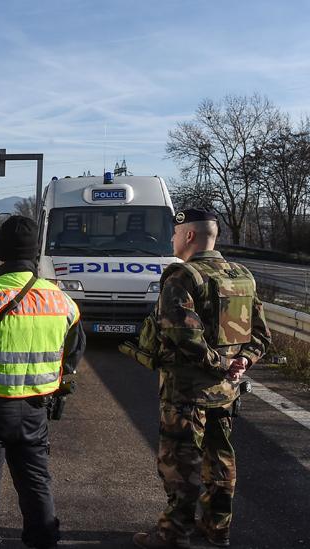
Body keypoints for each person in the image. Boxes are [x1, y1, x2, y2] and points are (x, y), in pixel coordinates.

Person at [133, 208, 271, 549]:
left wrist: (219, 364)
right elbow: (261, 335)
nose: (172, 239)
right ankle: (217, 529)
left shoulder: (183, 276)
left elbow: (183, 335)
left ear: (189, 236)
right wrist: (240, 362)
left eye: (176, 234)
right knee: (220, 460)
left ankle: (173, 534)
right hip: (226, 391)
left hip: (186, 393)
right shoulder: (242, 275)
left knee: (180, 464)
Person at [0, 215, 85, 549]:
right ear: (34, 254)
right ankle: (43, 542)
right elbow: (72, 354)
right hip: (36, 411)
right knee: (36, 482)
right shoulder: (63, 302)